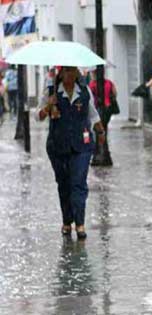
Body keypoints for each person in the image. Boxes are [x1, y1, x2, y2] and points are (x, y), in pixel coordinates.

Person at [36, 66, 106, 239]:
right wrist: (48, 106)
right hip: (57, 146)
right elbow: (37, 116)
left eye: (72, 71)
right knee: (64, 184)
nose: (69, 74)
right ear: (61, 73)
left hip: (82, 145)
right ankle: (67, 221)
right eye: (66, 71)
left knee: (78, 183)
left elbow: (93, 114)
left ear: (76, 73)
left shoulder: (83, 90)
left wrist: (100, 131)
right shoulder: (51, 91)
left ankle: (80, 224)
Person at [88, 72, 118, 165]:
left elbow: (90, 98)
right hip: (108, 109)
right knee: (104, 130)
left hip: (98, 110)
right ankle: (104, 153)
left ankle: (99, 154)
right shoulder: (109, 83)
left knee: (98, 132)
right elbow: (115, 93)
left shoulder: (92, 84)